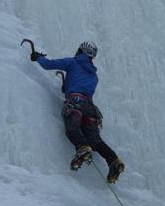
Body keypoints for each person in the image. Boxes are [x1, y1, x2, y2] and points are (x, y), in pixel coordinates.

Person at [31, 40, 125, 183]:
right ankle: (114, 160)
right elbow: (82, 89)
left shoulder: (72, 62)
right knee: (95, 141)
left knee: (72, 128)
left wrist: (37, 57)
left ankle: (82, 148)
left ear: (81, 51)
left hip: (75, 103)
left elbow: (48, 65)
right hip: (90, 108)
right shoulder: (94, 76)